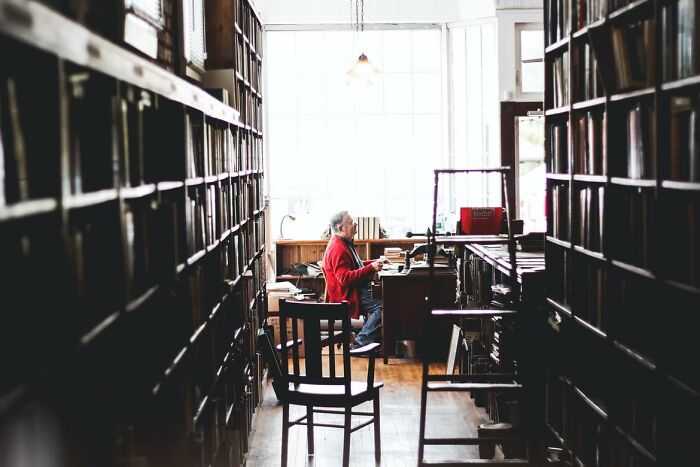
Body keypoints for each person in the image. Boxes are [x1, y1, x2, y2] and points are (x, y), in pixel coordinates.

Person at [323, 211, 384, 348]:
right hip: (348, 295)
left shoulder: (343, 242)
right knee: (385, 306)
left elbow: (355, 264)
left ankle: (376, 341)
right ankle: (361, 342)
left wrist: (373, 263)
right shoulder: (338, 248)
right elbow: (344, 278)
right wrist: (371, 268)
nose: (355, 224)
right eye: (351, 222)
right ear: (341, 228)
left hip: (355, 289)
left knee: (387, 298)